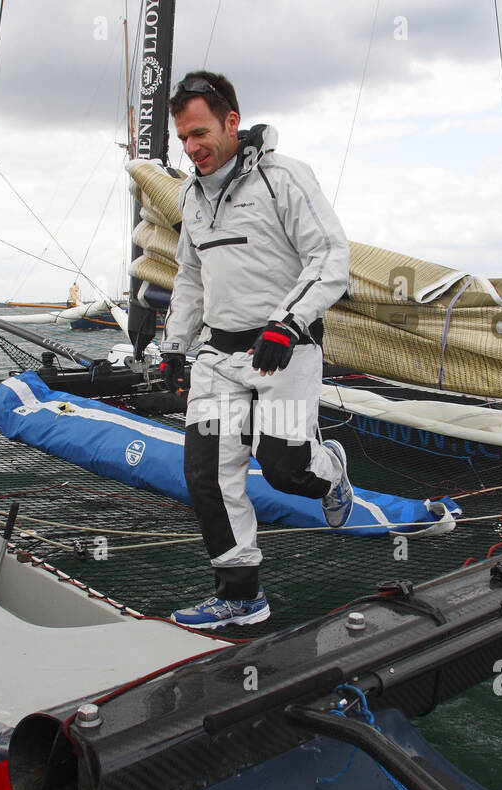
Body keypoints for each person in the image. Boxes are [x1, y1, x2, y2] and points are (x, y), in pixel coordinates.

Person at [157, 70, 353, 629]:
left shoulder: (283, 178)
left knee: (287, 470)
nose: (192, 148)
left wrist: (286, 324)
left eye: (200, 133)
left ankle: (331, 469)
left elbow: (329, 258)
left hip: (283, 351)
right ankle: (242, 596)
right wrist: (175, 346)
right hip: (219, 358)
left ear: (232, 122)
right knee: (208, 473)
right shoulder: (191, 196)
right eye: (184, 139)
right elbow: (191, 278)